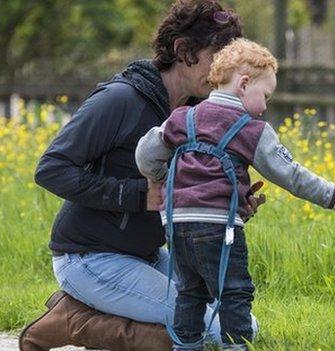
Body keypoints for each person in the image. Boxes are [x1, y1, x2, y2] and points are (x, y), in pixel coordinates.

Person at [20, 1, 264, 350]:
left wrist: (231, 200)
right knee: (208, 333)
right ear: (183, 50)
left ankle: (94, 314)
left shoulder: (199, 114)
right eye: (218, 55)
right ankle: (73, 322)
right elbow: (51, 169)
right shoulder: (121, 99)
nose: (226, 69)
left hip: (147, 254)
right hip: (90, 258)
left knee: (242, 326)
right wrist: (137, 195)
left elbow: (189, 191)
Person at [134, 38, 335, 350]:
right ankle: (237, 346)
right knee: (234, 291)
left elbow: (145, 154)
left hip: (177, 223)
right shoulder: (252, 130)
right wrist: (334, 196)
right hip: (218, 228)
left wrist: (165, 177)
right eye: (264, 95)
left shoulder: (183, 117)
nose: (265, 105)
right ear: (243, 84)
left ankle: (185, 346)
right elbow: (289, 174)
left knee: (189, 291)